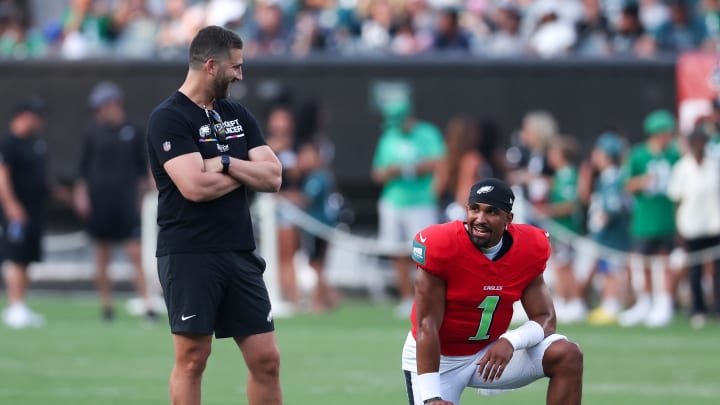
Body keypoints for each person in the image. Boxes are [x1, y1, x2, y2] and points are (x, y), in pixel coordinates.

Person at [146, 26, 283, 405]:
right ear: (211, 66)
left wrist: (222, 162)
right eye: (235, 67)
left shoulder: (236, 113)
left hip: (239, 252)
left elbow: (273, 176)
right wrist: (243, 172)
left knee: (266, 359)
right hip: (190, 253)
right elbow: (194, 187)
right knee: (193, 359)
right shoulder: (169, 117)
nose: (240, 75)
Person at [401, 178, 583, 405]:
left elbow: (546, 317)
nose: (480, 219)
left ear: (508, 219)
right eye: (474, 209)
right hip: (439, 361)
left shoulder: (527, 248)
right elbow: (426, 324)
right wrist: (431, 397)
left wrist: (511, 341)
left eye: (491, 212)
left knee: (567, 354)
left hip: (489, 354)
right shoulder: (442, 246)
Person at [73, 80, 155, 322]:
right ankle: (106, 307)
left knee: (135, 254)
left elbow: (143, 169)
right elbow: (83, 170)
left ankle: (147, 304)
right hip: (100, 202)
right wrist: (81, 196)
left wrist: (144, 198)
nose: (100, 113)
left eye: (102, 107)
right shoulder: (91, 132)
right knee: (102, 255)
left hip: (126, 202)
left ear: (115, 104)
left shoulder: (134, 130)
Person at [371, 97, 446, 318]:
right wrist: (391, 171)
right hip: (393, 201)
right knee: (397, 251)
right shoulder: (388, 137)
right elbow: (378, 172)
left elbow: (439, 163)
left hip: (422, 202)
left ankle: (427, 297)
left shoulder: (428, 133)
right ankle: (406, 298)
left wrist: (413, 171)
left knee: (425, 254)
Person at [619, 109, 680, 328]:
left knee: (666, 262)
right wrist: (642, 181)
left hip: (667, 218)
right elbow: (626, 184)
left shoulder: (675, 154)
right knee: (643, 263)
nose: (668, 137)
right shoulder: (638, 155)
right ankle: (645, 302)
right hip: (644, 219)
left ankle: (665, 303)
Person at [0, 96, 49, 329]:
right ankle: (13, 305)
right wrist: (11, 205)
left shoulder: (35, 143)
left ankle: (21, 304)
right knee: (16, 256)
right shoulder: (8, 143)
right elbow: (2, 176)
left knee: (28, 258)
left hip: (35, 210)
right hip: (17, 212)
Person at [667, 128, 720, 329]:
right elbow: (676, 200)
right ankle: (698, 309)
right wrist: (678, 230)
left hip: (715, 225)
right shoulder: (682, 168)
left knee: (717, 270)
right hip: (691, 227)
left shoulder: (714, 165)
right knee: (695, 271)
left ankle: (717, 307)